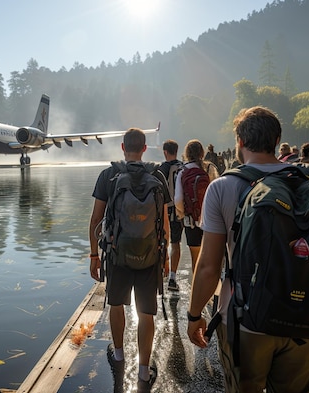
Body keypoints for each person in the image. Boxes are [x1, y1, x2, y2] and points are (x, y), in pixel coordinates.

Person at [186, 107, 309, 393]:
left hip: (246, 320)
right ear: (277, 139)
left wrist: (195, 315)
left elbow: (208, 267)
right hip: (306, 318)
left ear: (240, 142)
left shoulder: (222, 188)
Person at [88, 128, 170, 391]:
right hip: (150, 255)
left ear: (123, 147)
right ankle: (144, 371)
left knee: (117, 305)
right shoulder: (157, 175)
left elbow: (96, 220)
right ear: (145, 148)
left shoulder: (108, 175)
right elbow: (165, 224)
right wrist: (165, 257)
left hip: (116, 254)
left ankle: (119, 356)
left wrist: (93, 255)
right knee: (146, 312)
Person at [174, 139, 219, 271]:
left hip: (191, 221)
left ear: (186, 153)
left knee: (196, 259)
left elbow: (178, 199)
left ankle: (197, 287)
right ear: (202, 153)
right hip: (210, 220)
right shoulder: (210, 168)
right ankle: (212, 289)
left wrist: (184, 213)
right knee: (210, 258)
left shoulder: (182, 171)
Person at [157, 139, 184, 292]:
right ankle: (172, 277)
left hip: (165, 210)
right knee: (176, 242)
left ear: (165, 152)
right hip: (180, 211)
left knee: (161, 241)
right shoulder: (183, 167)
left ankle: (160, 272)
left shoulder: (161, 169)